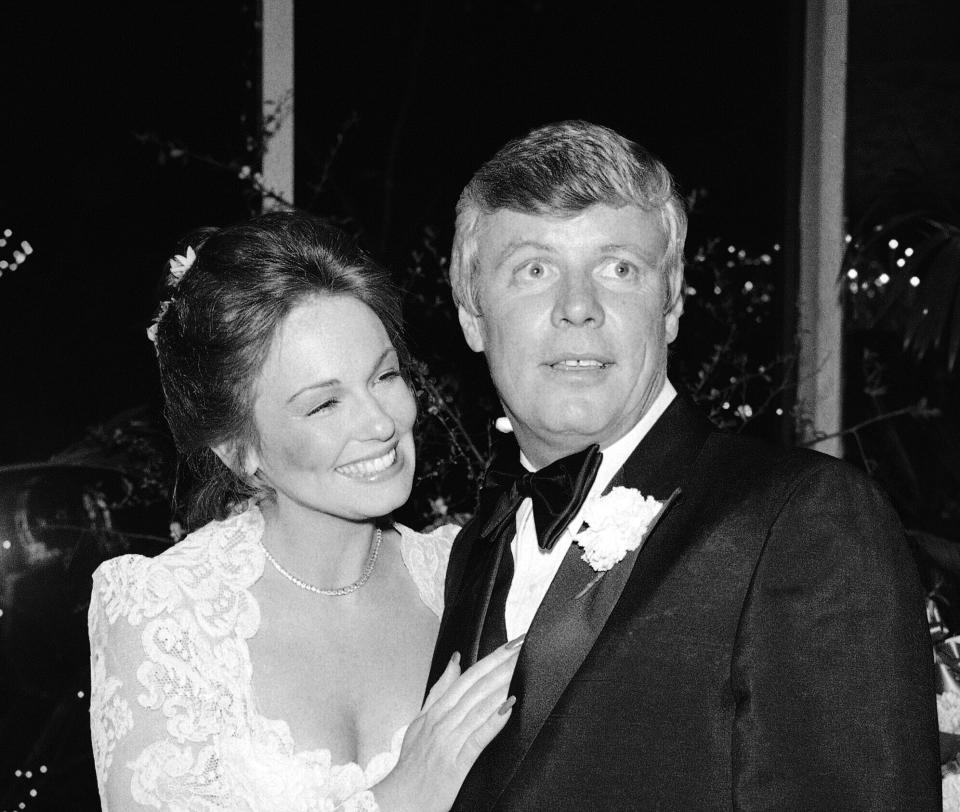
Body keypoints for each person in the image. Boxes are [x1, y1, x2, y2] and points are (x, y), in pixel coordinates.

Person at [426, 120, 941, 810]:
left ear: (669, 304)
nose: (578, 307)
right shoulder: (473, 552)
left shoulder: (804, 519)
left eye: (619, 268)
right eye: (534, 269)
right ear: (471, 312)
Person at [88, 212, 522, 811]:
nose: (380, 422)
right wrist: (404, 794)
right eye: (323, 406)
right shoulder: (163, 611)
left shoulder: (466, 571)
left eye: (385, 375)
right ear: (239, 451)